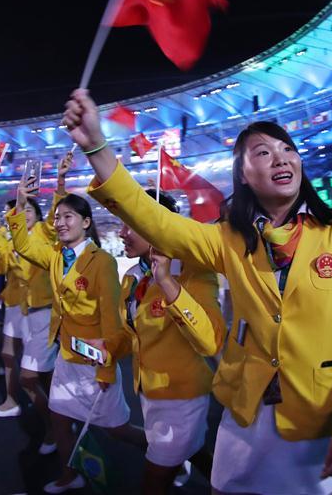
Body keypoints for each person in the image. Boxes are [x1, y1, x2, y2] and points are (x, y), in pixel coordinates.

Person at [66, 89, 332, 494]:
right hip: (247, 405)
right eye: (263, 152)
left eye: (286, 148)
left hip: (316, 407)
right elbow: (157, 222)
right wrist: (96, 145)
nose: (281, 157)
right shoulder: (230, 239)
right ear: (245, 175)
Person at [7, 178, 142, 494]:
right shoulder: (55, 255)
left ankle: (167, 458)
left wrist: (107, 367)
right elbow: (23, 245)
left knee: (117, 429)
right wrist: (21, 202)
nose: (61, 222)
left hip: (95, 361)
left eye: (68, 217)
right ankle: (70, 477)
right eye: (58, 217)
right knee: (58, 417)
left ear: (85, 222)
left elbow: (112, 317)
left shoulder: (102, 262)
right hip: (67, 356)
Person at [92, 189, 225, 493]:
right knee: (191, 454)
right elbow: (133, 334)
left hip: (182, 398)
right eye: (121, 224)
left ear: (157, 225)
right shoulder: (134, 277)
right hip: (149, 392)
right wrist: (110, 347)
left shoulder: (193, 272)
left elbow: (210, 342)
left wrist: (167, 283)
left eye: (130, 224)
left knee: (153, 482)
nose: (122, 233)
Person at [0, 195, 57, 454]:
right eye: (17, 210)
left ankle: (57, 422)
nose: (23, 213)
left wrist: (57, 184)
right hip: (19, 304)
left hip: (39, 306)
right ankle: (17, 402)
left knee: (39, 371)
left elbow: (54, 214)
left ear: (37, 213)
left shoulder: (44, 232)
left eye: (28, 209)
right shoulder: (8, 237)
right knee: (15, 359)